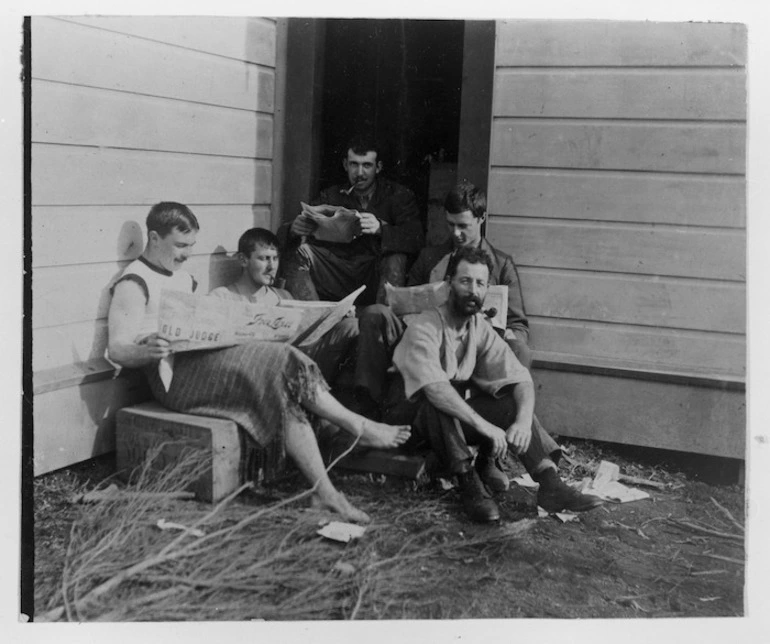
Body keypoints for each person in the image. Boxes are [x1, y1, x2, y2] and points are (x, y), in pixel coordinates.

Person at [107, 202, 411, 524]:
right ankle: (357, 425)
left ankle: (326, 495)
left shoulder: (184, 279)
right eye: (180, 246)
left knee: (280, 391)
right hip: (172, 378)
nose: (185, 255)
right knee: (277, 359)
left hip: (200, 360)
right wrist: (147, 351)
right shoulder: (134, 281)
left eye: (191, 247)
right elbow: (117, 349)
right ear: (154, 238)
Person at [383, 246, 604, 523]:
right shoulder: (426, 326)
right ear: (449, 282)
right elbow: (435, 390)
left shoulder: (477, 327)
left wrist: (522, 421)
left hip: (444, 424)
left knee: (512, 402)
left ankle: (550, 485)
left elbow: (520, 377)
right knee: (438, 401)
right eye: (465, 281)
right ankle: (468, 483)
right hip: (404, 424)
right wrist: (484, 426)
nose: (473, 290)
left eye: (480, 283)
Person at [355, 180, 532, 410]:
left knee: (520, 350)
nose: (456, 233)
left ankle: (501, 419)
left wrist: (506, 334)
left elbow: (519, 324)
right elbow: (406, 304)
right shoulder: (430, 256)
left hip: (474, 347)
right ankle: (368, 409)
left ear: (481, 219)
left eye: (463, 225)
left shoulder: (501, 264)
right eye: (450, 225)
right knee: (374, 314)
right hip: (427, 339)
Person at [280, 135, 424, 306]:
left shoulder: (398, 195)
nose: (359, 173)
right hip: (336, 271)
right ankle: (315, 321)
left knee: (396, 257)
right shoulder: (331, 195)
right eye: (354, 164)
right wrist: (294, 229)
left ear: (378, 167)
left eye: (367, 165)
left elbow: (416, 239)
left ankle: (381, 320)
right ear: (345, 165)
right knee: (299, 252)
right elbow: (295, 228)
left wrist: (381, 228)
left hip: (374, 274)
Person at [209, 227, 357, 386]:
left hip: (291, 367)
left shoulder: (283, 296)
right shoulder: (222, 297)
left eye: (275, 258)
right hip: (252, 372)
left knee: (350, 326)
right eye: (264, 258)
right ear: (243, 260)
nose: (272, 267)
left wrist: (336, 317)